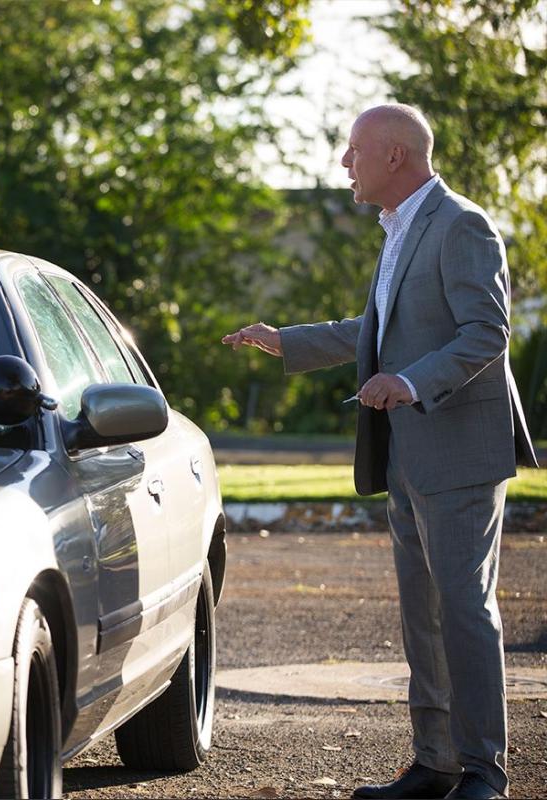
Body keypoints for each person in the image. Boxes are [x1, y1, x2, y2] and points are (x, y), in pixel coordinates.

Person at [223, 104, 537, 800]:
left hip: (459, 451)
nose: (344, 163)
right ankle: (435, 764)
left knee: (462, 609)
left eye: (353, 150)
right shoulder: (400, 228)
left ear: (395, 156)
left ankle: (485, 771)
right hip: (407, 453)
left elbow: (488, 333)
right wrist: (289, 341)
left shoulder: (462, 225)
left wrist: (409, 381)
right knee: (422, 613)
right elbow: (383, 324)